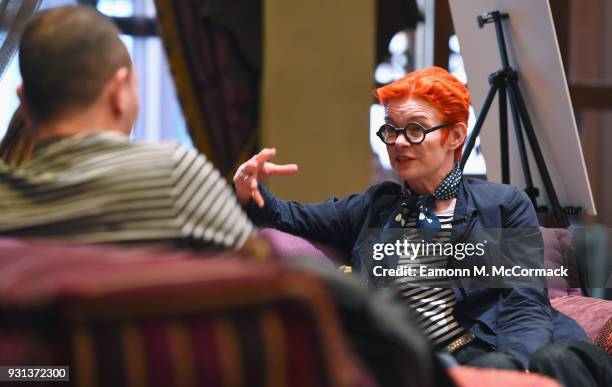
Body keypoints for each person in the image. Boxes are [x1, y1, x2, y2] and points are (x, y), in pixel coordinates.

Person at [234, 67, 612, 386]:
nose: (398, 143)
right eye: (390, 130)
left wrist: (519, 369)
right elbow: (290, 216)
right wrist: (250, 190)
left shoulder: (503, 204)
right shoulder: (373, 207)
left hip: (508, 343)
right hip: (438, 362)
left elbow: (523, 302)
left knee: (560, 359)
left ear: (456, 136)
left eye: (415, 130)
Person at [0, 5, 252, 249]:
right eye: (135, 85)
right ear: (119, 91)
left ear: (24, 101)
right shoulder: (174, 177)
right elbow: (265, 276)